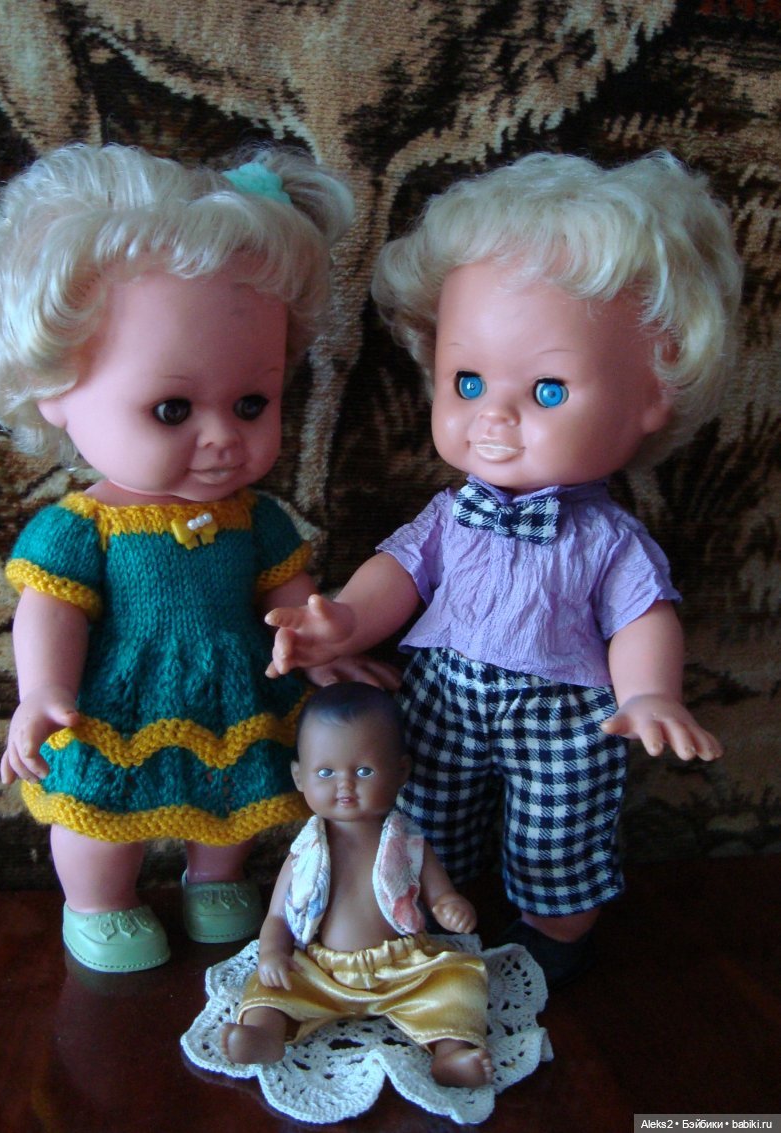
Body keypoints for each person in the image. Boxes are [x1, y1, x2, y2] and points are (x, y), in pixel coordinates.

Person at [264, 151, 743, 988]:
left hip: (563, 711)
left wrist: (649, 694)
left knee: (559, 826)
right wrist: (345, 619)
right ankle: (430, 907)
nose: (495, 416)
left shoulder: (608, 538)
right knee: (427, 807)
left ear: (651, 392)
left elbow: (643, 615)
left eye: (548, 390)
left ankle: (556, 928)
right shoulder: (450, 513)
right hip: (442, 695)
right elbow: (398, 572)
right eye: (468, 380)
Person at [0, 141, 389, 973]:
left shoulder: (255, 518)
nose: (223, 437)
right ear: (56, 388)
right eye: (171, 408)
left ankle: (214, 878)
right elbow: (51, 607)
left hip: (232, 687)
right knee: (98, 812)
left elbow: (287, 590)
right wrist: (43, 690)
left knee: (228, 799)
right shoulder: (81, 527)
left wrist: (320, 639)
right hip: (114, 698)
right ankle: (98, 902)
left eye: (253, 402)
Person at [220, 682, 494, 1088]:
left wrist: (451, 906)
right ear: (299, 777)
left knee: (460, 980)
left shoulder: (409, 842)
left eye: (364, 771)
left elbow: (440, 895)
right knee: (268, 984)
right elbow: (277, 916)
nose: (345, 785)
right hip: (320, 968)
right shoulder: (305, 852)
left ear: (401, 771)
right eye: (325, 772)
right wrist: (274, 953)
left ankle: (451, 1053)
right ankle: (264, 1034)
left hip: (402, 967)